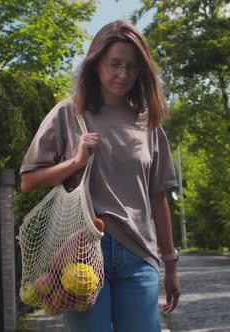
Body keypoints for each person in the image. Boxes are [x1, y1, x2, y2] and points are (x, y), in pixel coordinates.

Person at [19, 20, 181, 331]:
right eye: (114, 64)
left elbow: (158, 198)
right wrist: (75, 161)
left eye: (132, 67)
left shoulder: (149, 125)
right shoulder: (68, 114)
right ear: (96, 65)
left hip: (138, 256)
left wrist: (171, 265)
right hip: (81, 254)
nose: (123, 75)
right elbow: (28, 180)